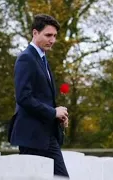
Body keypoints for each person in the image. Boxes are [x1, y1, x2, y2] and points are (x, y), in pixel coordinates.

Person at [8, 14, 69, 178]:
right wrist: (52, 112)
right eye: (48, 35)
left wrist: (57, 115)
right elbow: (23, 97)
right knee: (61, 178)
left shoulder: (42, 59)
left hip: (46, 134)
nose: (53, 40)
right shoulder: (26, 58)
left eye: (55, 36)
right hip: (32, 136)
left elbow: (41, 97)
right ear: (35, 33)